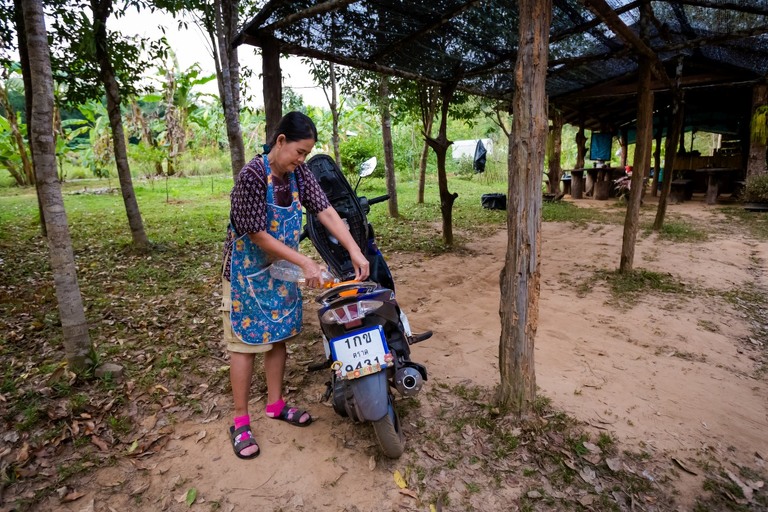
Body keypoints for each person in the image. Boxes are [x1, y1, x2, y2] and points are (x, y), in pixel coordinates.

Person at [221, 112, 370, 459]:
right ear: (281, 141)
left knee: (279, 338)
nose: (302, 160)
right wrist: (304, 261)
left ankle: (275, 404)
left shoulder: (299, 173)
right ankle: (240, 421)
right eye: (300, 152)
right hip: (246, 276)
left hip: (281, 273)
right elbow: (257, 234)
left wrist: (354, 249)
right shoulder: (253, 175)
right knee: (243, 344)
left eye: (307, 154)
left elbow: (325, 211)